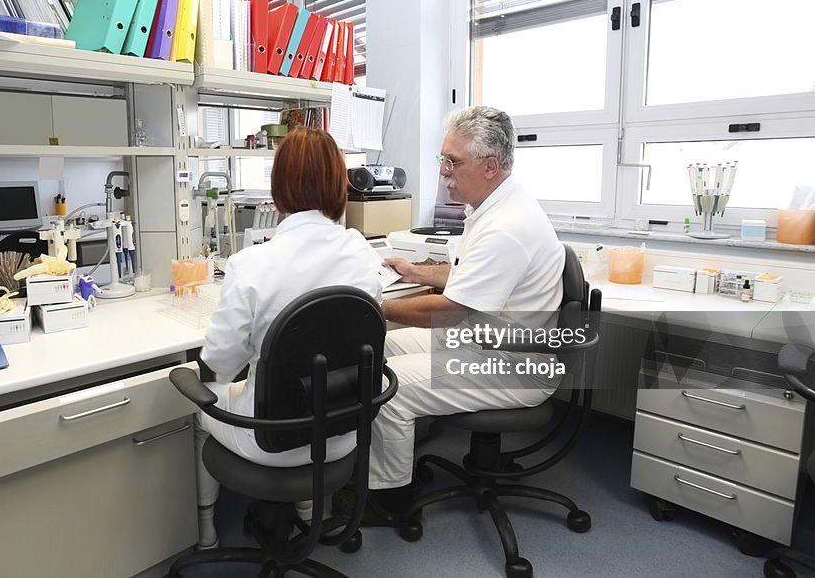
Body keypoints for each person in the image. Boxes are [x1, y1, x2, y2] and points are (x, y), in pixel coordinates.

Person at [364, 105, 566, 519]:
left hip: (513, 364)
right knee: (380, 350)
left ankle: (391, 500)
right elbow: (465, 276)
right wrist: (414, 270)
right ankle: (394, 465)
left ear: (490, 166)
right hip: (485, 340)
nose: (443, 171)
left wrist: (376, 308)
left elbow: (453, 310)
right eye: (443, 159)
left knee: (388, 390)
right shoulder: (493, 206)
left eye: (452, 161)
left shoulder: (506, 226)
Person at [194, 127, 383, 548]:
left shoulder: (252, 264)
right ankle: (310, 511)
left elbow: (221, 366)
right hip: (342, 436)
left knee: (200, 399)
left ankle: (205, 534)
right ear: (339, 186)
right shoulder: (362, 255)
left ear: (278, 188)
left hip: (269, 442)